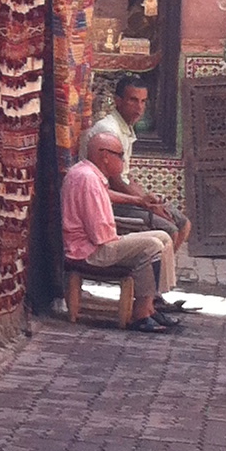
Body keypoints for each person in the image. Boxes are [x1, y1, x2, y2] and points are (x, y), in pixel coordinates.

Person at [62, 123, 184, 335]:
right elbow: (100, 235)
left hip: (94, 244)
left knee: (164, 237)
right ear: (105, 156)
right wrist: (124, 240)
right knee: (151, 245)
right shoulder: (88, 180)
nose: (123, 161)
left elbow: (106, 196)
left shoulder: (88, 172)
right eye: (120, 155)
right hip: (89, 251)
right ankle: (141, 313)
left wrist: (139, 201)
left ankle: (151, 305)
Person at [101, 74, 192, 305]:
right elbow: (115, 183)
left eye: (143, 102)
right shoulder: (109, 130)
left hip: (125, 198)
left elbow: (127, 177)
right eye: (133, 100)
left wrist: (150, 200)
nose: (139, 107)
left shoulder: (127, 129)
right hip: (110, 204)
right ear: (118, 101)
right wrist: (144, 204)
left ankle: (154, 291)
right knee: (169, 231)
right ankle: (148, 299)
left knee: (183, 223)